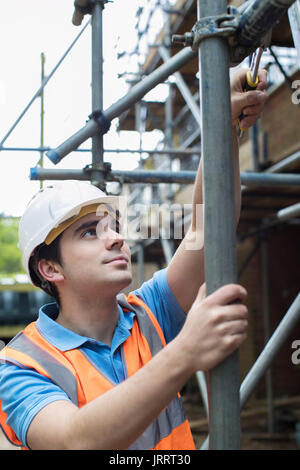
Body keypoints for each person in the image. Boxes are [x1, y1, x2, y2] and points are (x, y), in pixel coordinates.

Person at [0, 68, 267, 450]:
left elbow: (208, 230)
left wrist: (221, 122)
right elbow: (76, 441)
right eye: (91, 232)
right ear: (49, 268)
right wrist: (185, 352)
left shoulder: (149, 311)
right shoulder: (21, 364)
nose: (116, 238)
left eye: (114, 226)